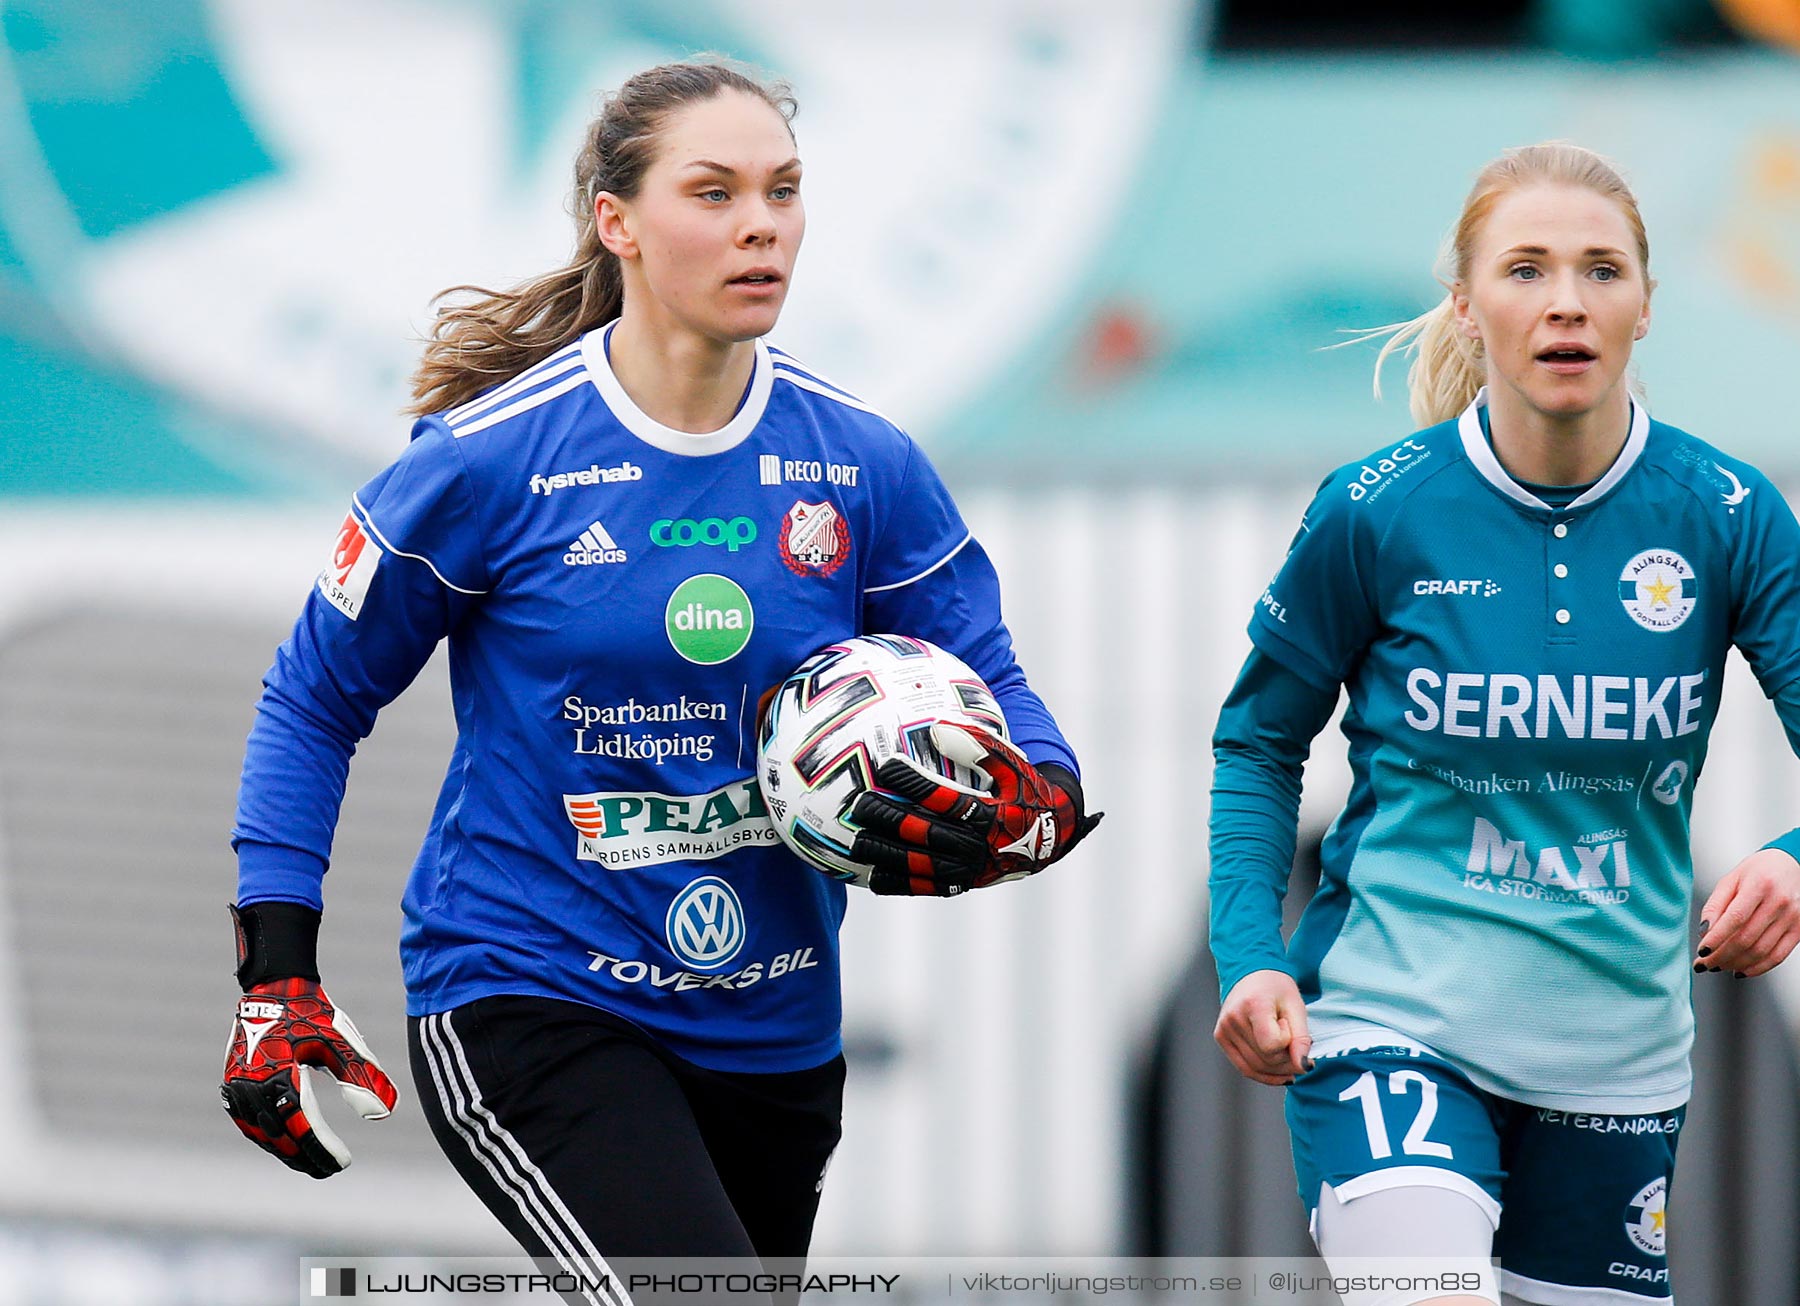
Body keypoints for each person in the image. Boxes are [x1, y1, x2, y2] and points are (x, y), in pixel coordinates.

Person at [219, 59, 1098, 1299]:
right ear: (616, 221)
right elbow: (315, 696)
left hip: (776, 1019)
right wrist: (276, 974)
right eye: (715, 191)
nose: (761, 223)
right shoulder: (486, 463)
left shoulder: (863, 462)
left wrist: (1043, 790)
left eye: (783, 191)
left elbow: (984, 665)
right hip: (529, 991)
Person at [1208, 142, 1800, 1306]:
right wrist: (1252, 956)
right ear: (1468, 306)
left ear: (1646, 307)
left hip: (1619, 1067)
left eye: (1601, 270)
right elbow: (1260, 742)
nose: (1567, 301)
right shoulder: (1378, 512)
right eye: (1526, 269)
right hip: (1392, 1024)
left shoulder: (1728, 515)